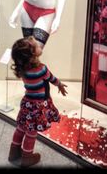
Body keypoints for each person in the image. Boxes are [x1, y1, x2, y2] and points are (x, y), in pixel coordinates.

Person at [8, 36, 68, 167]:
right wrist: (60, 85)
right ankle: (27, 157)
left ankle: (14, 152)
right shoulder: (41, 69)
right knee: (32, 131)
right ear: (32, 54)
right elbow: (52, 79)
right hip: (38, 106)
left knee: (21, 127)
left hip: (27, 103)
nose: (40, 46)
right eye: (37, 46)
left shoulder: (23, 69)